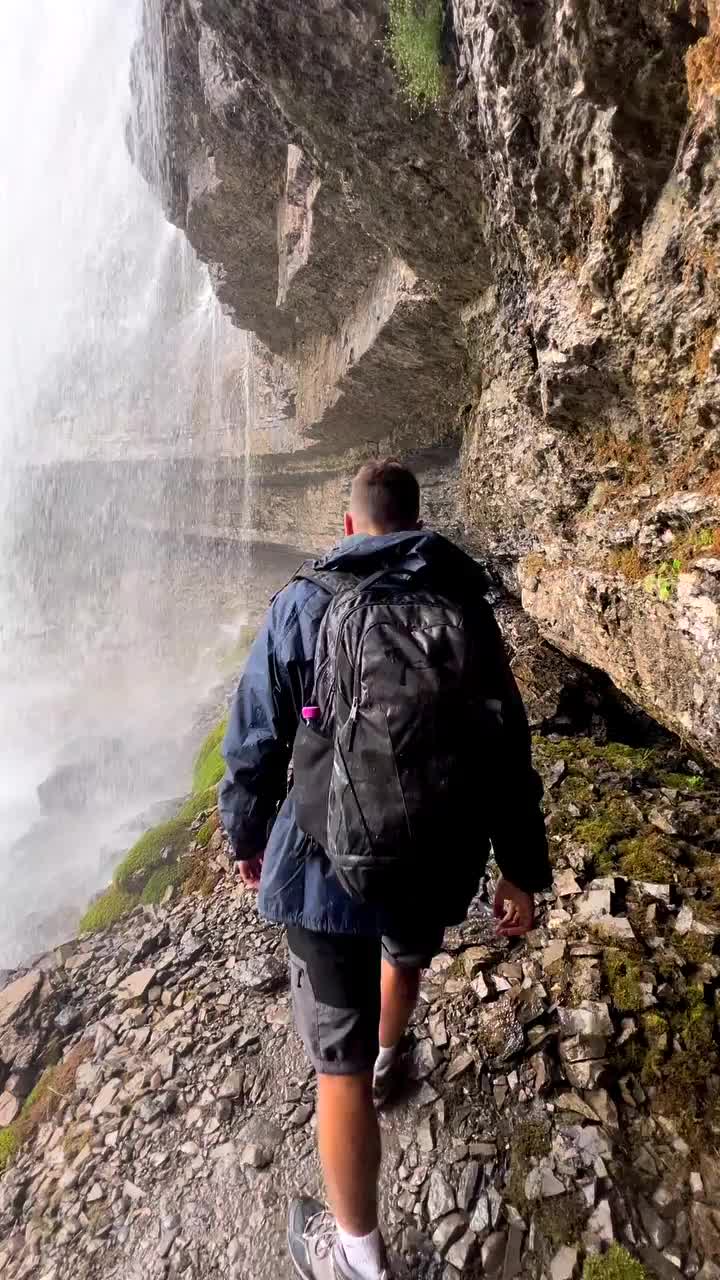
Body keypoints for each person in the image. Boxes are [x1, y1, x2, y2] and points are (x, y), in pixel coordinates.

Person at [219, 459, 551, 1280]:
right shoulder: (465, 609)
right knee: (403, 956)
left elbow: (256, 738)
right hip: (434, 851)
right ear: (415, 521)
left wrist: (245, 836)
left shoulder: (302, 603)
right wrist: (520, 870)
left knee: (336, 1074)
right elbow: (506, 749)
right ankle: (391, 1051)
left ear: (347, 525)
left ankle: (357, 1258)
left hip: (325, 867)